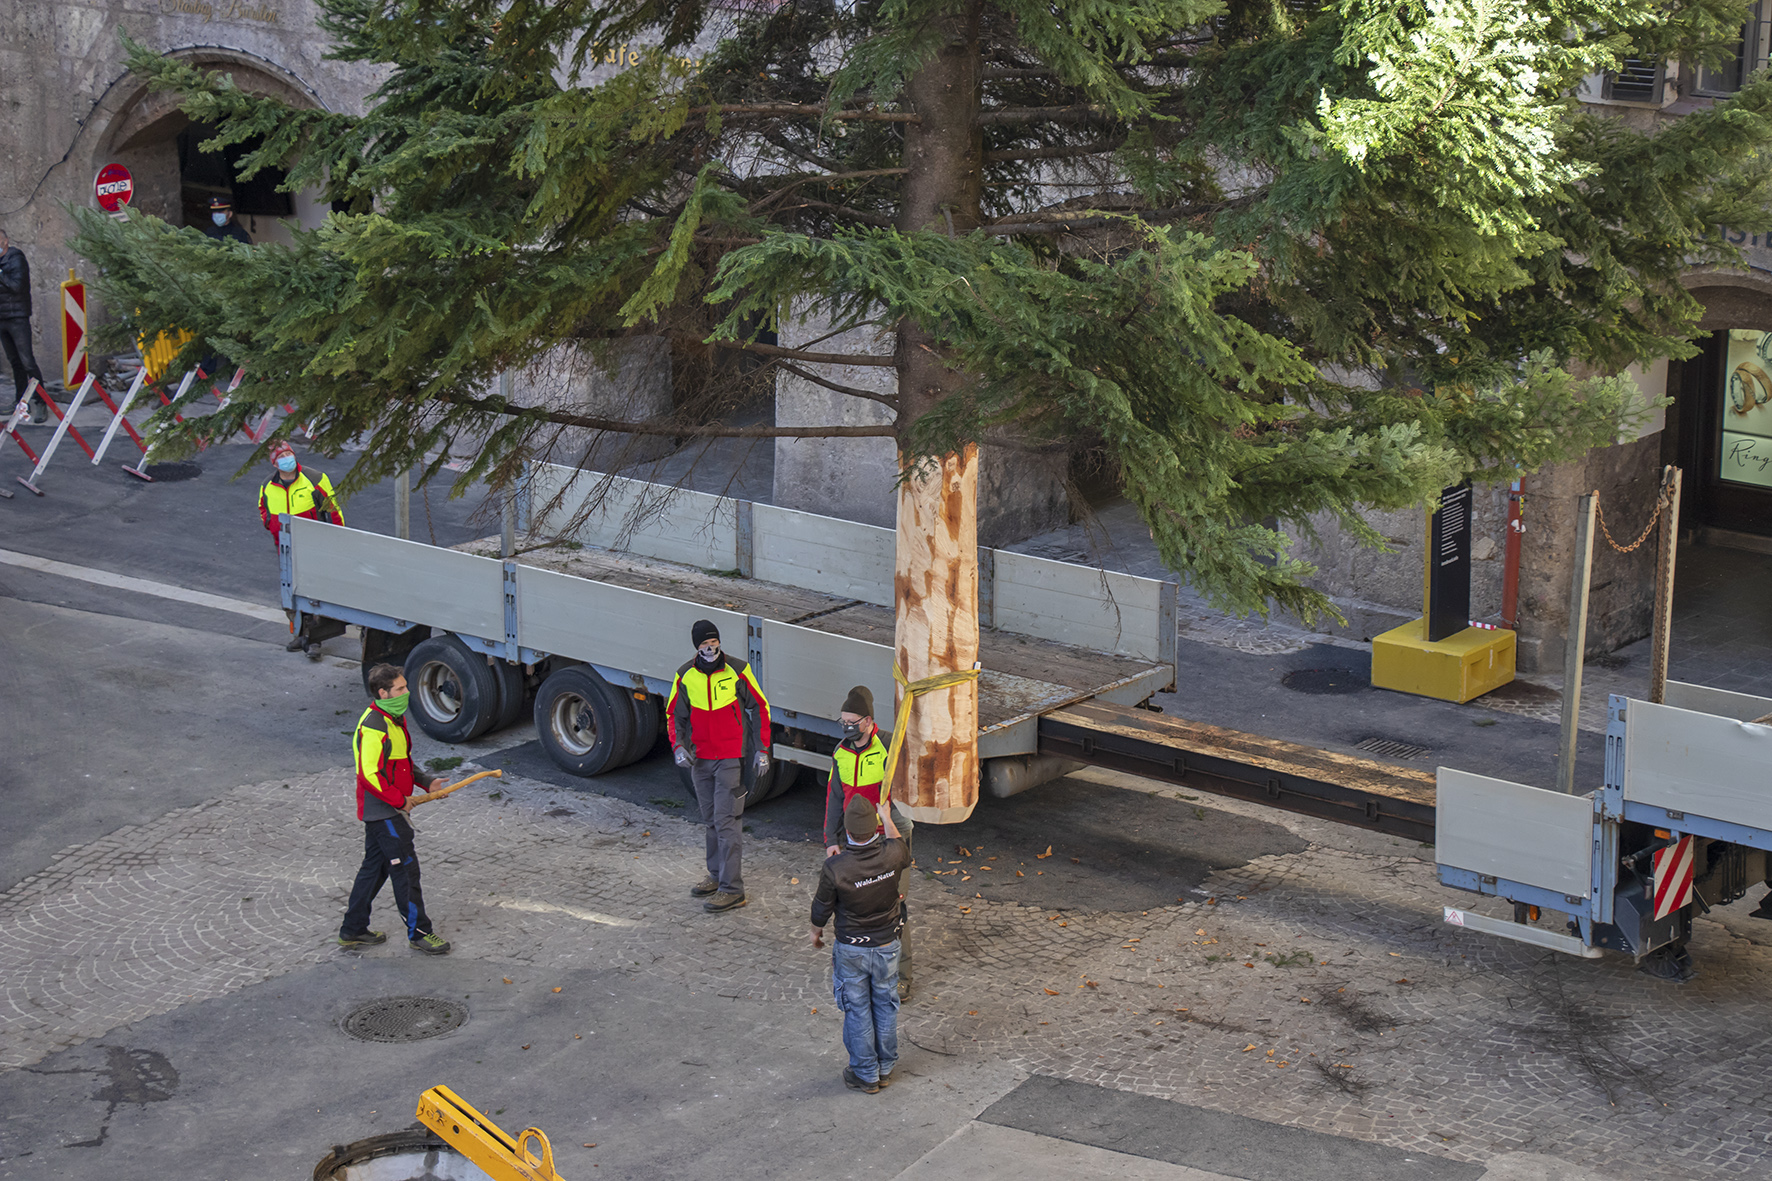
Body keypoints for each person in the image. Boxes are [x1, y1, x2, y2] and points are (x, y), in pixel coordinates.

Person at [340, 663, 452, 954]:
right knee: (406, 872)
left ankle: (352, 930)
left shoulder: (393, 719)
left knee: (373, 870)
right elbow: (369, 775)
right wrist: (400, 801)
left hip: (384, 810)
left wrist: (426, 782)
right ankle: (419, 933)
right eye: (400, 688)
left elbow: (400, 763)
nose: (407, 692)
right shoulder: (375, 725)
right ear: (383, 692)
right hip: (386, 814)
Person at [667, 619, 771, 912]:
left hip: (730, 759)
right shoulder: (685, 676)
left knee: (726, 823)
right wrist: (678, 747)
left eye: (713, 642)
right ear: (696, 647)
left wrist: (761, 749)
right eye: (704, 644)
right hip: (700, 760)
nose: (710, 648)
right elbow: (675, 715)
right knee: (711, 819)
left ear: (719, 643)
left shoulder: (737, 671)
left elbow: (759, 706)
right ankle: (716, 876)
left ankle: (732, 889)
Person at [822, 685, 916, 998]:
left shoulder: (890, 745)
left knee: (895, 905)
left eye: (852, 721)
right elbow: (834, 797)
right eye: (842, 721)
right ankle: (864, 967)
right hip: (855, 839)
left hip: (889, 835)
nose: (847, 727)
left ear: (867, 720)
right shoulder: (840, 752)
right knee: (858, 905)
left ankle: (901, 976)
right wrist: (830, 839)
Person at [810, 795, 909, 1094]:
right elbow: (900, 844)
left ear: (848, 832)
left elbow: (821, 908)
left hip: (851, 947)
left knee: (857, 1009)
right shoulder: (893, 854)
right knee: (886, 1005)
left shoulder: (836, 867)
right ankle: (885, 1069)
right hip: (887, 944)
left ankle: (865, 1073)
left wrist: (816, 933)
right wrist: (887, 816)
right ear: (875, 828)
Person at [258, 440, 346, 657]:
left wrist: (338, 537)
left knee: (314, 591)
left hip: (314, 546)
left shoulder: (315, 479)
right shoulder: (268, 486)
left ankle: (314, 639)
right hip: (286, 548)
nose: (287, 458)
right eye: (281, 456)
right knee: (292, 592)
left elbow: (333, 510)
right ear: (274, 463)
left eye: (288, 453)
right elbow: (263, 509)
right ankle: (299, 634)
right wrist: (271, 525)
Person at [0, 228, 46, 424]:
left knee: (27, 361)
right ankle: (20, 401)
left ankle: (42, 401)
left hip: (17, 317)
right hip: (1, 318)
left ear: (5, 241)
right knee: (14, 362)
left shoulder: (16, 258)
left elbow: (16, 286)